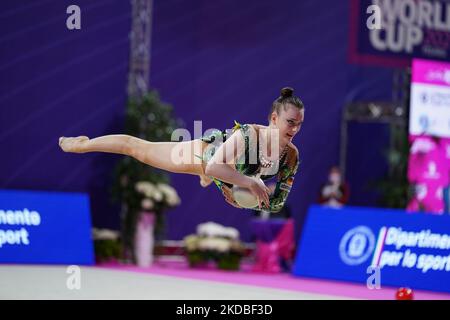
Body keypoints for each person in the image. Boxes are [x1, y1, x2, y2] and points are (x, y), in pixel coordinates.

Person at [59, 87, 304, 212]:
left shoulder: (291, 156)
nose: (294, 129)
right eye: (289, 122)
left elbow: (277, 204)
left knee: (224, 176)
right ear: (274, 118)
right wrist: (239, 184)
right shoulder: (248, 134)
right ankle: (84, 144)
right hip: (205, 153)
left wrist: (248, 202)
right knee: (138, 149)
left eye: (299, 124)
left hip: (230, 171)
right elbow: (213, 165)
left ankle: (211, 179)